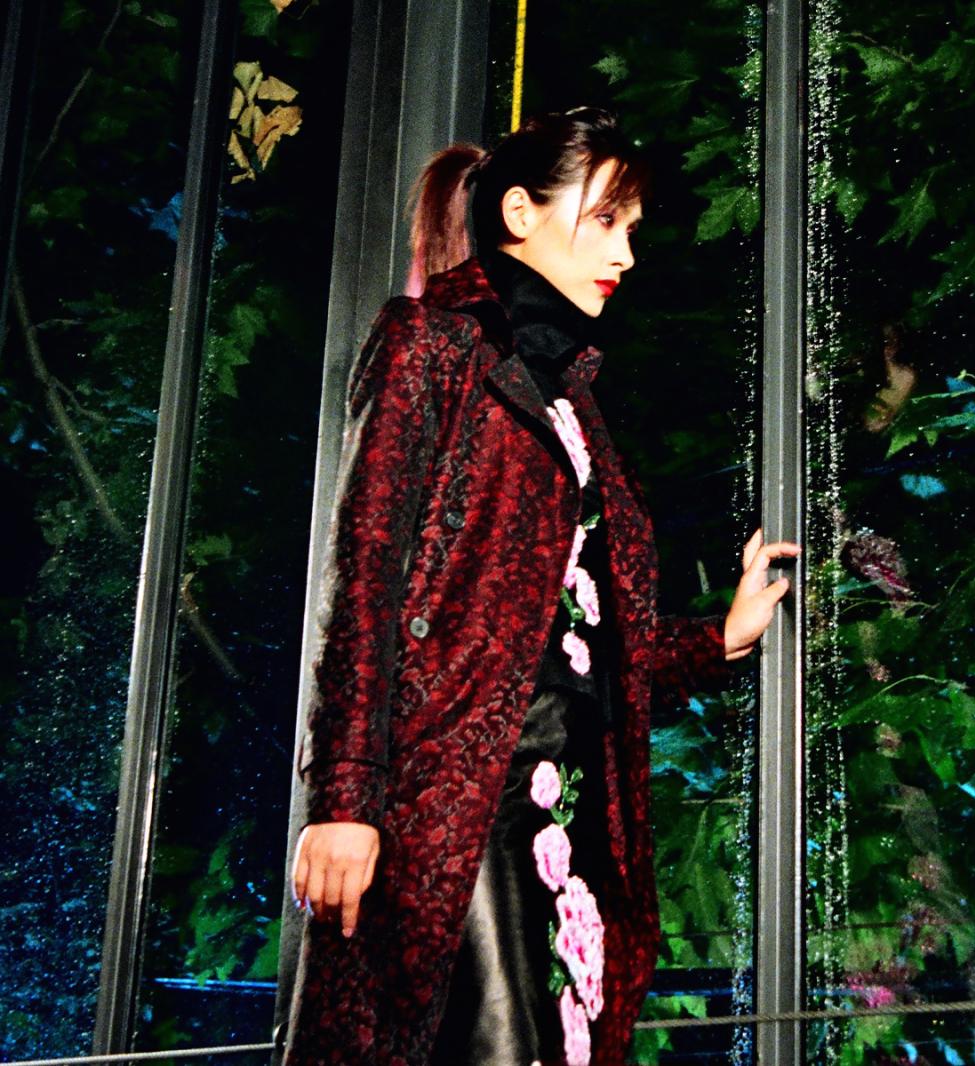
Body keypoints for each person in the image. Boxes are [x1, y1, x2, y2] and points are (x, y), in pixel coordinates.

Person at [280, 106, 796, 1066]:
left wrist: (718, 637)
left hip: (571, 803)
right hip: (460, 796)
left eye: (630, 228)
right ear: (519, 213)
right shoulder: (427, 344)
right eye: (605, 221)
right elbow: (365, 583)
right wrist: (343, 799)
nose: (626, 254)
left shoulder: (572, 402)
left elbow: (579, 636)